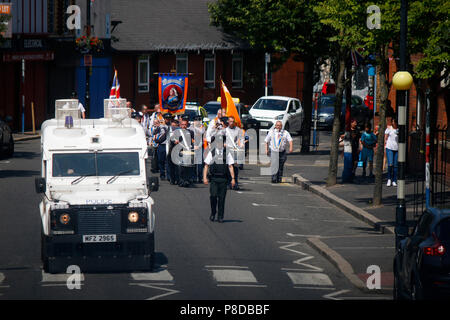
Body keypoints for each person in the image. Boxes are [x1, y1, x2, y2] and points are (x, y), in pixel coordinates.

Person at [203, 128, 236, 223]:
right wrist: (204, 177)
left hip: (223, 179)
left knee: (222, 199)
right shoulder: (212, 152)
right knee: (213, 196)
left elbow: (230, 166)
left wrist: (233, 179)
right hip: (214, 178)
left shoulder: (227, 153)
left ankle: (220, 216)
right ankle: (213, 212)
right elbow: (206, 165)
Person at [225, 116, 244, 190]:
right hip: (227, 150)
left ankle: (235, 183)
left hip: (235, 150)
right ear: (228, 122)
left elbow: (241, 139)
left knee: (235, 168)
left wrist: (241, 145)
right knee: (228, 167)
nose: (231, 123)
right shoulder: (225, 130)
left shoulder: (238, 130)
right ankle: (228, 183)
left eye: (233, 121)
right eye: (230, 121)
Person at [385, 118, 399, 187]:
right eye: (392, 122)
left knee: (395, 165)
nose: (393, 123)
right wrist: (385, 144)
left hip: (397, 149)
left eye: (394, 122)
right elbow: (386, 137)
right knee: (390, 164)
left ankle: (394, 180)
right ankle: (389, 179)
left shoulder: (399, 129)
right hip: (390, 148)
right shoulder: (389, 129)